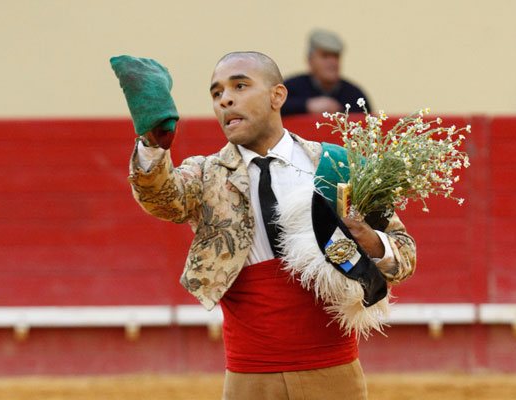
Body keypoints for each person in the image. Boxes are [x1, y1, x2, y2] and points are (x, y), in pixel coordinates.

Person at [126, 51, 415, 399]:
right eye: (216, 93)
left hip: (333, 370)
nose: (225, 99)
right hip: (250, 377)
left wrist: (370, 240)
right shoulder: (205, 175)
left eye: (240, 86)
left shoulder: (337, 166)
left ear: (277, 96)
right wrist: (152, 145)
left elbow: (405, 254)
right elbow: (161, 198)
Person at [281, 29, 371, 116]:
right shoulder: (291, 89)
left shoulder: (354, 95)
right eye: (325, 56)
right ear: (310, 60)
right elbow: (276, 108)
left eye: (336, 56)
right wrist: (307, 105)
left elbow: (368, 121)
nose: (332, 62)